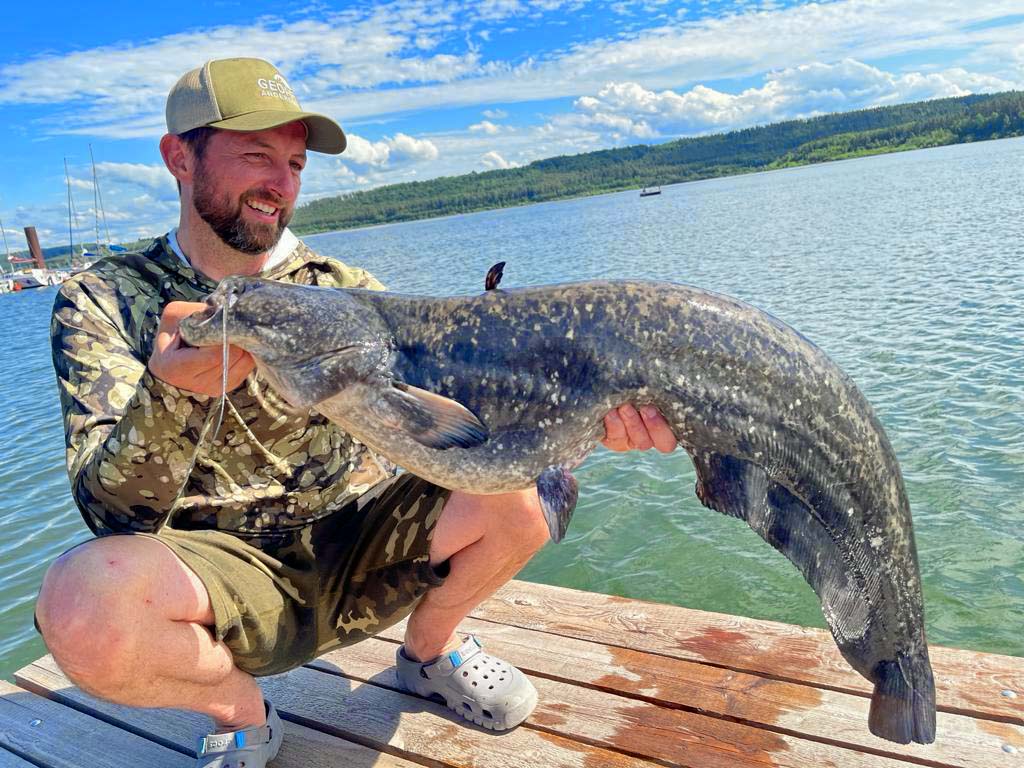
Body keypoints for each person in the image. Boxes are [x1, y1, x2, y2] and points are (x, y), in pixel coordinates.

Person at [34, 58, 677, 768]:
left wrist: (588, 417)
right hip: (218, 579)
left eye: (295, 164)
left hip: (358, 547)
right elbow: (111, 517)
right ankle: (242, 714)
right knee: (79, 604)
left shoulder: (346, 290)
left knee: (519, 496)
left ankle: (429, 654)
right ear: (177, 156)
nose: (279, 185)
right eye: (256, 156)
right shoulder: (104, 299)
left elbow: (463, 428)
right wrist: (172, 392)